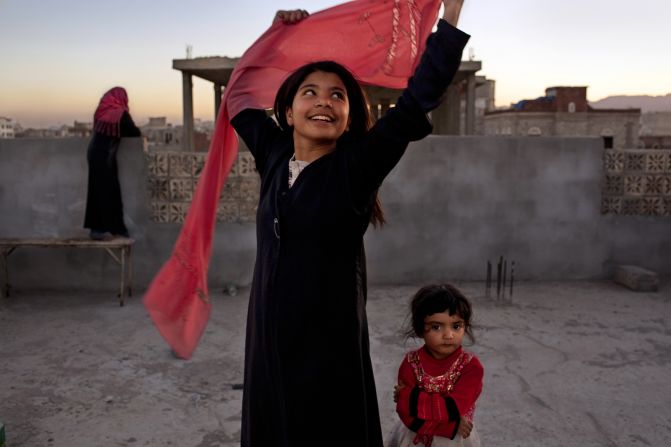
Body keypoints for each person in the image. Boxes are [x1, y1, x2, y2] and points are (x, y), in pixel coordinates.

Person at [229, 1, 469, 446]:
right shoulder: (274, 152)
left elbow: (419, 98)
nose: (324, 101)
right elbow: (238, 97)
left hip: (326, 347)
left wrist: (449, 21)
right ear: (288, 111)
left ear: (348, 119)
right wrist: (275, 34)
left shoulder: (354, 170)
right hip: (267, 337)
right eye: (310, 92)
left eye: (337, 95)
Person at [388, 284, 483, 447]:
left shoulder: (471, 368)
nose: (448, 335)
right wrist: (450, 425)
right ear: (420, 329)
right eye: (436, 327)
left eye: (456, 326)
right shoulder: (410, 364)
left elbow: (452, 408)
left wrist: (410, 397)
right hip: (415, 437)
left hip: (456, 441)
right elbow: (405, 413)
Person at [83, 86, 141, 240]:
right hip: (105, 155)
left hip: (96, 153)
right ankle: (99, 230)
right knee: (106, 191)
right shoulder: (120, 114)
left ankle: (113, 228)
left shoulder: (101, 112)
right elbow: (134, 133)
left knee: (102, 190)